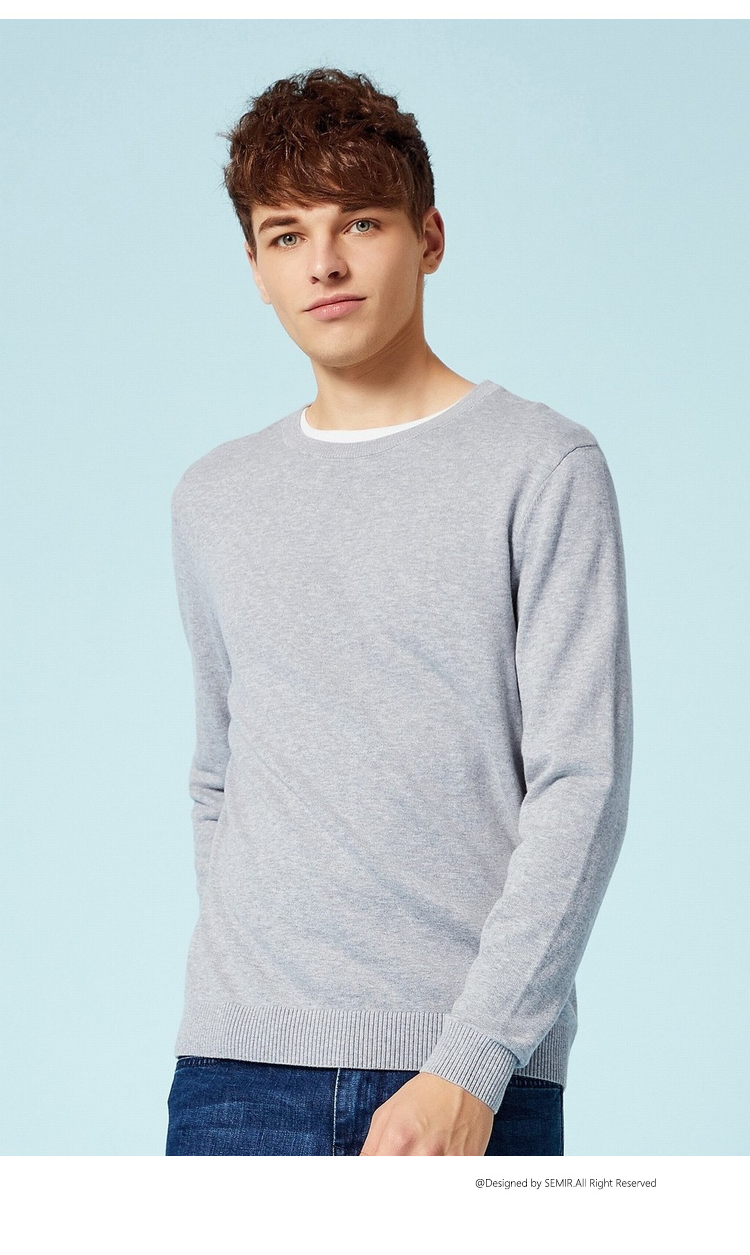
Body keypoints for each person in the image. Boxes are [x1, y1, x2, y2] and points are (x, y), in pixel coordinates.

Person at [164, 68, 633, 1157]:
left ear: (429, 238)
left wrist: (473, 1060)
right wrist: (255, 993)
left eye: (359, 223)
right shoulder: (213, 495)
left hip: (468, 1075)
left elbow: (582, 785)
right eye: (287, 235)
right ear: (256, 269)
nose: (323, 263)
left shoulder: (542, 466)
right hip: (235, 1078)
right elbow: (220, 772)